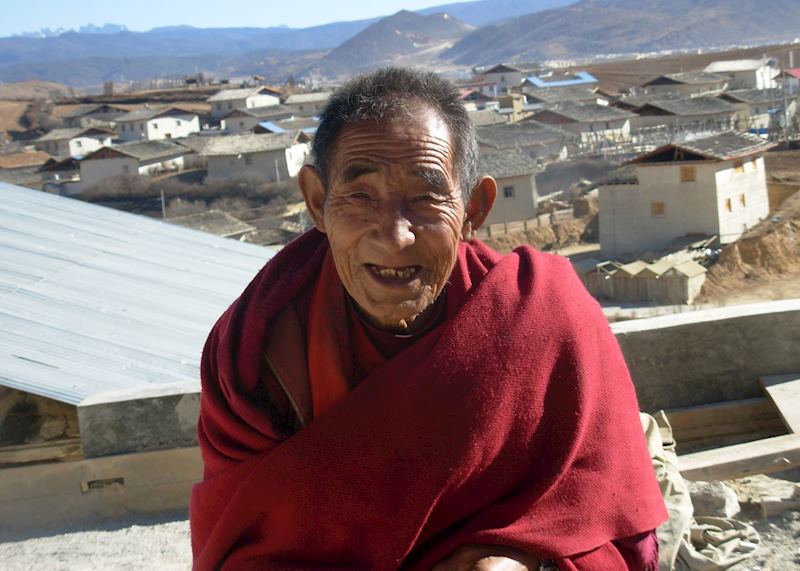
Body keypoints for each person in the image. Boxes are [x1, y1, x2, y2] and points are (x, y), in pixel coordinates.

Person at [190, 67, 667, 570]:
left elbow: (611, 516)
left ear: (474, 210)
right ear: (316, 201)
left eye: (425, 197)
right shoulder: (259, 350)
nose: (394, 236)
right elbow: (245, 545)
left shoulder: (540, 314)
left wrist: (518, 560)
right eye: (359, 195)